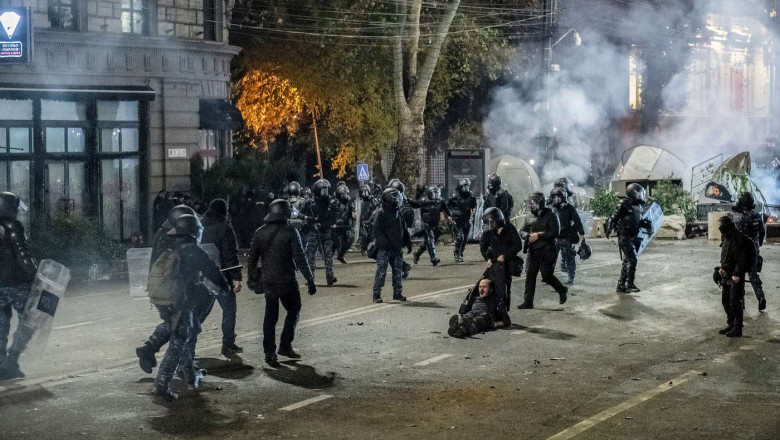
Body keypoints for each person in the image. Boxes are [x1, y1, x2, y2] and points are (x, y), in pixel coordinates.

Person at [152, 214, 230, 400]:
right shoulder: (193, 251)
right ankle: (162, 382)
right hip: (181, 302)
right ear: (194, 233)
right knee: (179, 340)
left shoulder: (170, 250)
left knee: (183, 336)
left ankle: (188, 373)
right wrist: (225, 286)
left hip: (164, 301)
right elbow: (212, 270)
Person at [247, 199, 316, 366]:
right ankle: (285, 345)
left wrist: (252, 278)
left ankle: (269, 352)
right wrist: (310, 279)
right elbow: (300, 257)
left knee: (270, 317)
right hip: (287, 281)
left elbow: (252, 259)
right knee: (293, 309)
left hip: (268, 281)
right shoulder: (291, 232)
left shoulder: (259, 232)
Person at [0, 192, 38, 380]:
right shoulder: (12, 227)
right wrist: (34, 278)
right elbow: (22, 256)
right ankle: (12, 360)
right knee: (30, 319)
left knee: (1, 323)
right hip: (15, 283)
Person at [200, 198, 244, 358]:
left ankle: (185, 345)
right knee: (229, 310)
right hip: (221, 278)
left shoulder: (199, 225)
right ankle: (228, 345)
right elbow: (230, 255)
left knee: (199, 314)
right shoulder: (224, 228)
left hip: (201, 277)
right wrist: (236, 277)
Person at [517, 192, 568, 309]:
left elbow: (555, 232)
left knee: (546, 276)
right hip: (533, 250)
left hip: (547, 250)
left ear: (541, 203)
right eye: (531, 203)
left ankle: (561, 290)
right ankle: (528, 301)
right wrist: (525, 235)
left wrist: (538, 235)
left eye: (534, 203)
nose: (532, 205)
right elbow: (522, 230)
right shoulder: (529, 216)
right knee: (530, 276)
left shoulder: (551, 215)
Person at [607, 183, 649, 293]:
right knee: (632, 259)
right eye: (640, 193)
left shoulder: (638, 207)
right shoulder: (624, 203)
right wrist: (609, 229)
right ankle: (629, 284)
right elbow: (614, 217)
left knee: (627, 261)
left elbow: (636, 222)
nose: (641, 195)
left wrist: (645, 224)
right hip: (624, 236)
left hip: (633, 237)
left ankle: (621, 285)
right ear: (633, 193)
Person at [371, 188, 411, 303]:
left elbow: (403, 229)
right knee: (381, 272)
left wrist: (407, 242)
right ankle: (376, 294)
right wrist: (386, 245)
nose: (397, 198)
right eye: (394, 196)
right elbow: (377, 232)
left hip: (396, 248)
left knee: (398, 272)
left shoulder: (398, 212)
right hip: (385, 249)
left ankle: (397, 293)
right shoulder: (381, 212)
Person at [479, 207, 523, 310]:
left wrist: (505, 256)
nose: (488, 225)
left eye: (491, 222)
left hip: (506, 263)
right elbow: (483, 246)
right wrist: (487, 258)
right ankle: (492, 309)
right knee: (490, 285)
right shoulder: (488, 231)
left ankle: (504, 311)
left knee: (504, 288)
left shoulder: (509, 228)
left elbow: (517, 245)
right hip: (493, 262)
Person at [715, 215, 752, 338]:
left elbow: (740, 258)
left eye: (720, 226)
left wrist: (737, 273)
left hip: (735, 276)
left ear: (726, 225)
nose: (719, 228)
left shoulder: (737, 238)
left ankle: (738, 328)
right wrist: (721, 268)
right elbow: (725, 255)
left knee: (735, 302)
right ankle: (731, 324)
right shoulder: (726, 237)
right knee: (726, 301)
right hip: (726, 275)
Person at [731, 192, 766, 311]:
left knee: (739, 276)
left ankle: (741, 303)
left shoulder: (738, 217)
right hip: (754, 251)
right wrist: (758, 245)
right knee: (753, 275)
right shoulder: (756, 215)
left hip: (741, 252)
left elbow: (735, 236)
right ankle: (761, 298)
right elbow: (762, 232)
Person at [301, 179, 338, 286]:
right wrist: (310, 221)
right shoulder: (309, 203)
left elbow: (333, 218)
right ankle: (310, 277)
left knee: (328, 254)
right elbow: (301, 214)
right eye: (322, 190)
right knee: (310, 254)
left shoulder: (330, 203)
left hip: (326, 231)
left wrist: (323, 224)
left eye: (326, 189)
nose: (325, 192)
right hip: (313, 232)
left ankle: (329, 275)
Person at [550, 187, 585, 284]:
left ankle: (571, 277)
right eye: (554, 197)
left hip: (566, 237)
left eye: (558, 197)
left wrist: (581, 233)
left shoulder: (569, 208)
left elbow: (577, 221)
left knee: (569, 257)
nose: (556, 199)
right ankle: (548, 275)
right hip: (554, 238)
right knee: (550, 257)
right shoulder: (552, 209)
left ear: (563, 197)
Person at [412, 186, 452, 267]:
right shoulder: (424, 201)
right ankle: (433, 258)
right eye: (434, 193)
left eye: (437, 193)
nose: (435, 195)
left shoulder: (440, 201)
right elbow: (415, 204)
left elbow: (447, 210)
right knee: (430, 238)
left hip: (435, 223)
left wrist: (450, 217)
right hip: (426, 223)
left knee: (430, 241)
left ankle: (417, 253)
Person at [387, 179, 413, 279]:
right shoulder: (389, 201)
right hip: (390, 233)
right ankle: (403, 268)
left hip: (398, 234)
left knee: (393, 254)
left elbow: (406, 224)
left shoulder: (403, 204)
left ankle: (402, 270)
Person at [447, 178, 477, 263]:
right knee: (460, 237)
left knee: (465, 239)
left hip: (466, 220)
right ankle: (457, 254)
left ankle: (460, 253)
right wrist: (449, 216)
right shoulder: (454, 197)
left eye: (467, 186)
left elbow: (474, 206)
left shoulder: (471, 197)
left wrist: (473, 213)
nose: (465, 188)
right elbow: (447, 206)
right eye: (464, 186)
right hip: (456, 220)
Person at [332, 185, 356, 264]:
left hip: (346, 225)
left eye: (346, 194)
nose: (345, 196)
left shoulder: (350, 202)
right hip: (336, 225)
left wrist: (354, 215)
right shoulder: (334, 203)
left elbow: (353, 212)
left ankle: (341, 255)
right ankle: (328, 258)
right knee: (335, 243)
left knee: (349, 241)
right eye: (343, 194)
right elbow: (331, 214)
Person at [358, 183, 379, 255]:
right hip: (362, 222)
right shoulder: (359, 202)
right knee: (364, 236)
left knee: (371, 237)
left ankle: (371, 250)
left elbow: (375, 211)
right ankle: (363, 248)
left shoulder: (373, 200)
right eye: (363, 192)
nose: (365, 193)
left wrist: (370, 220)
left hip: (371, 221)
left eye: (366, 191)